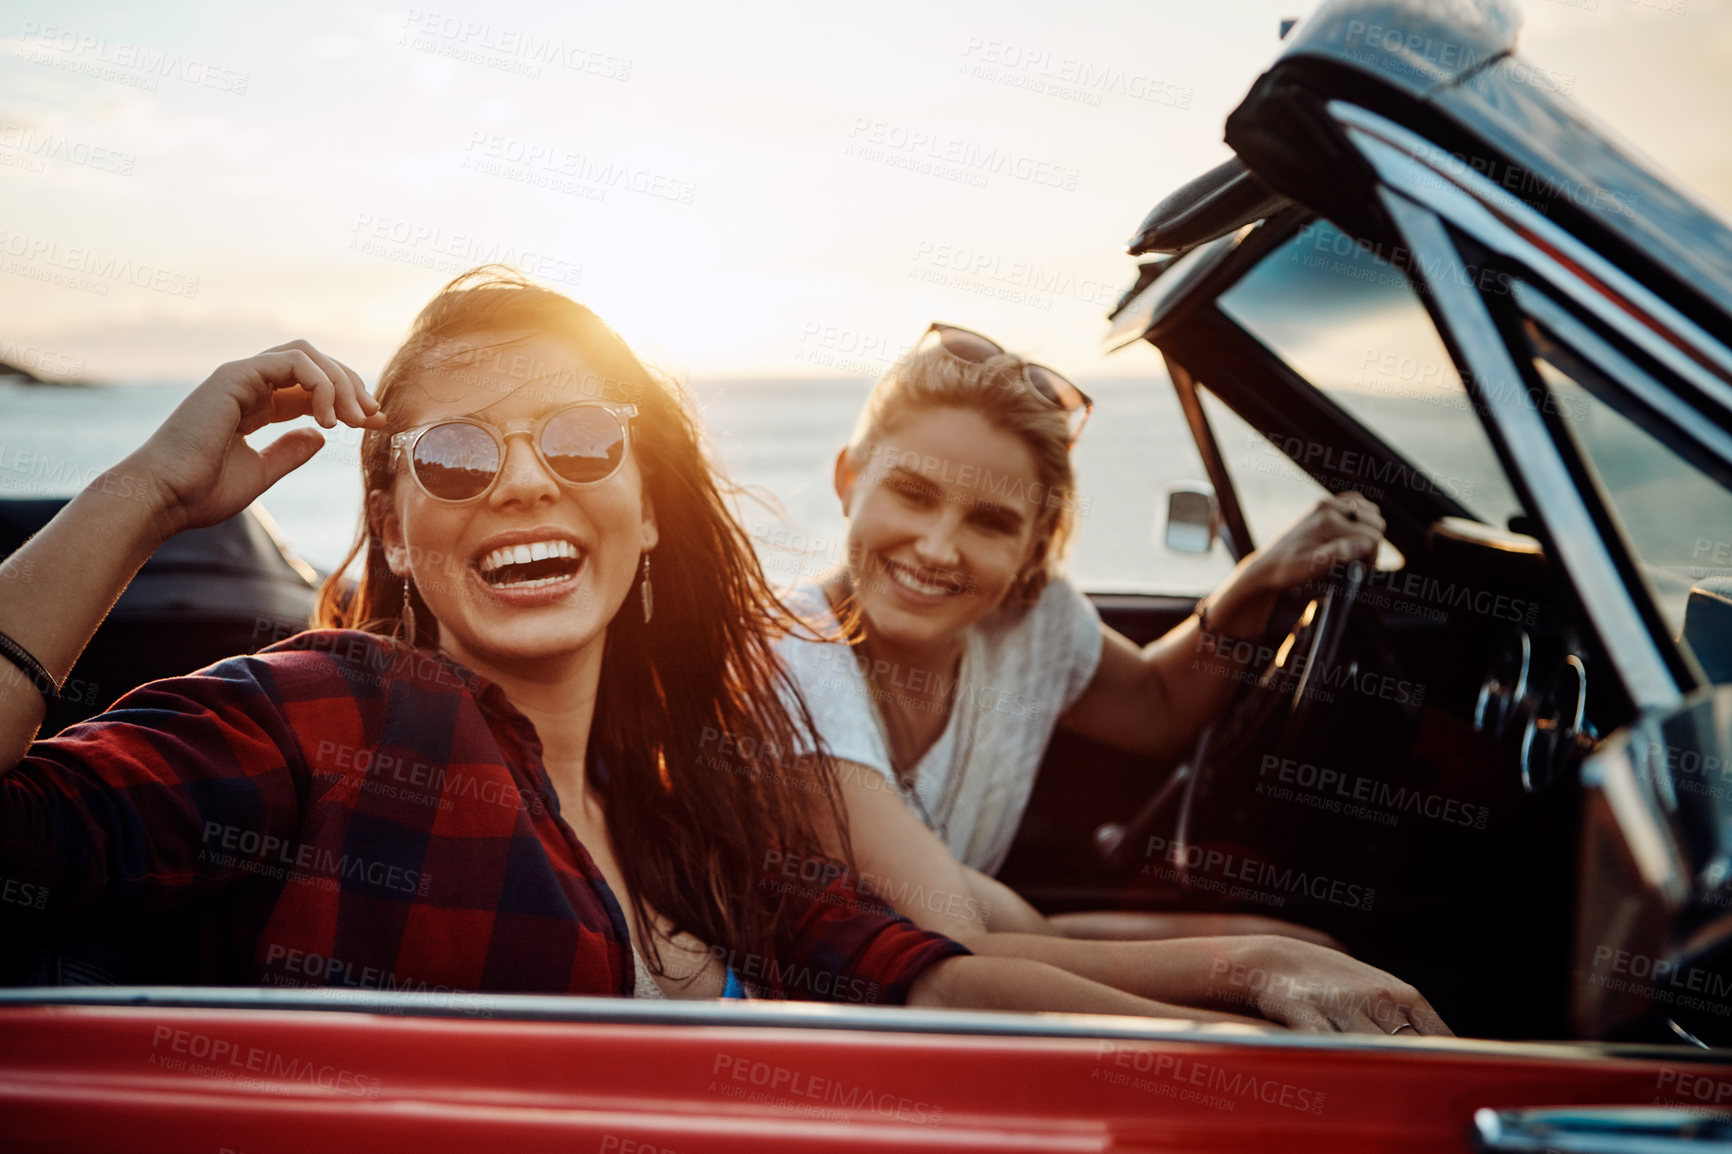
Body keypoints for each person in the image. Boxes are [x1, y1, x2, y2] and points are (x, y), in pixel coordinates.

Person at [0, 269, 1286, 1022]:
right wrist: (148, 493)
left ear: (650, 510)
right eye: (452, 454)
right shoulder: (324, 717)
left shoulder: (694, 794)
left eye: (575, 439)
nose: (518, 483)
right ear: (392, 531)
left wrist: (1261, 992)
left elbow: (929, 980)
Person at [771, 323, 1452, 1033]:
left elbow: (1158, 708)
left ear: (1035, 542)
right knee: (1282, 986)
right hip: (839, 1024)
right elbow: (955, 948)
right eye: (912, 494)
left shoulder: (1032, 621)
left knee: (1320, 948)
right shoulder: (793, 657)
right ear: (850, 478)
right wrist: (1256, 967)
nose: (939, 546)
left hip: (968, 970)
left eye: (991, 522)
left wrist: (1249, 589)